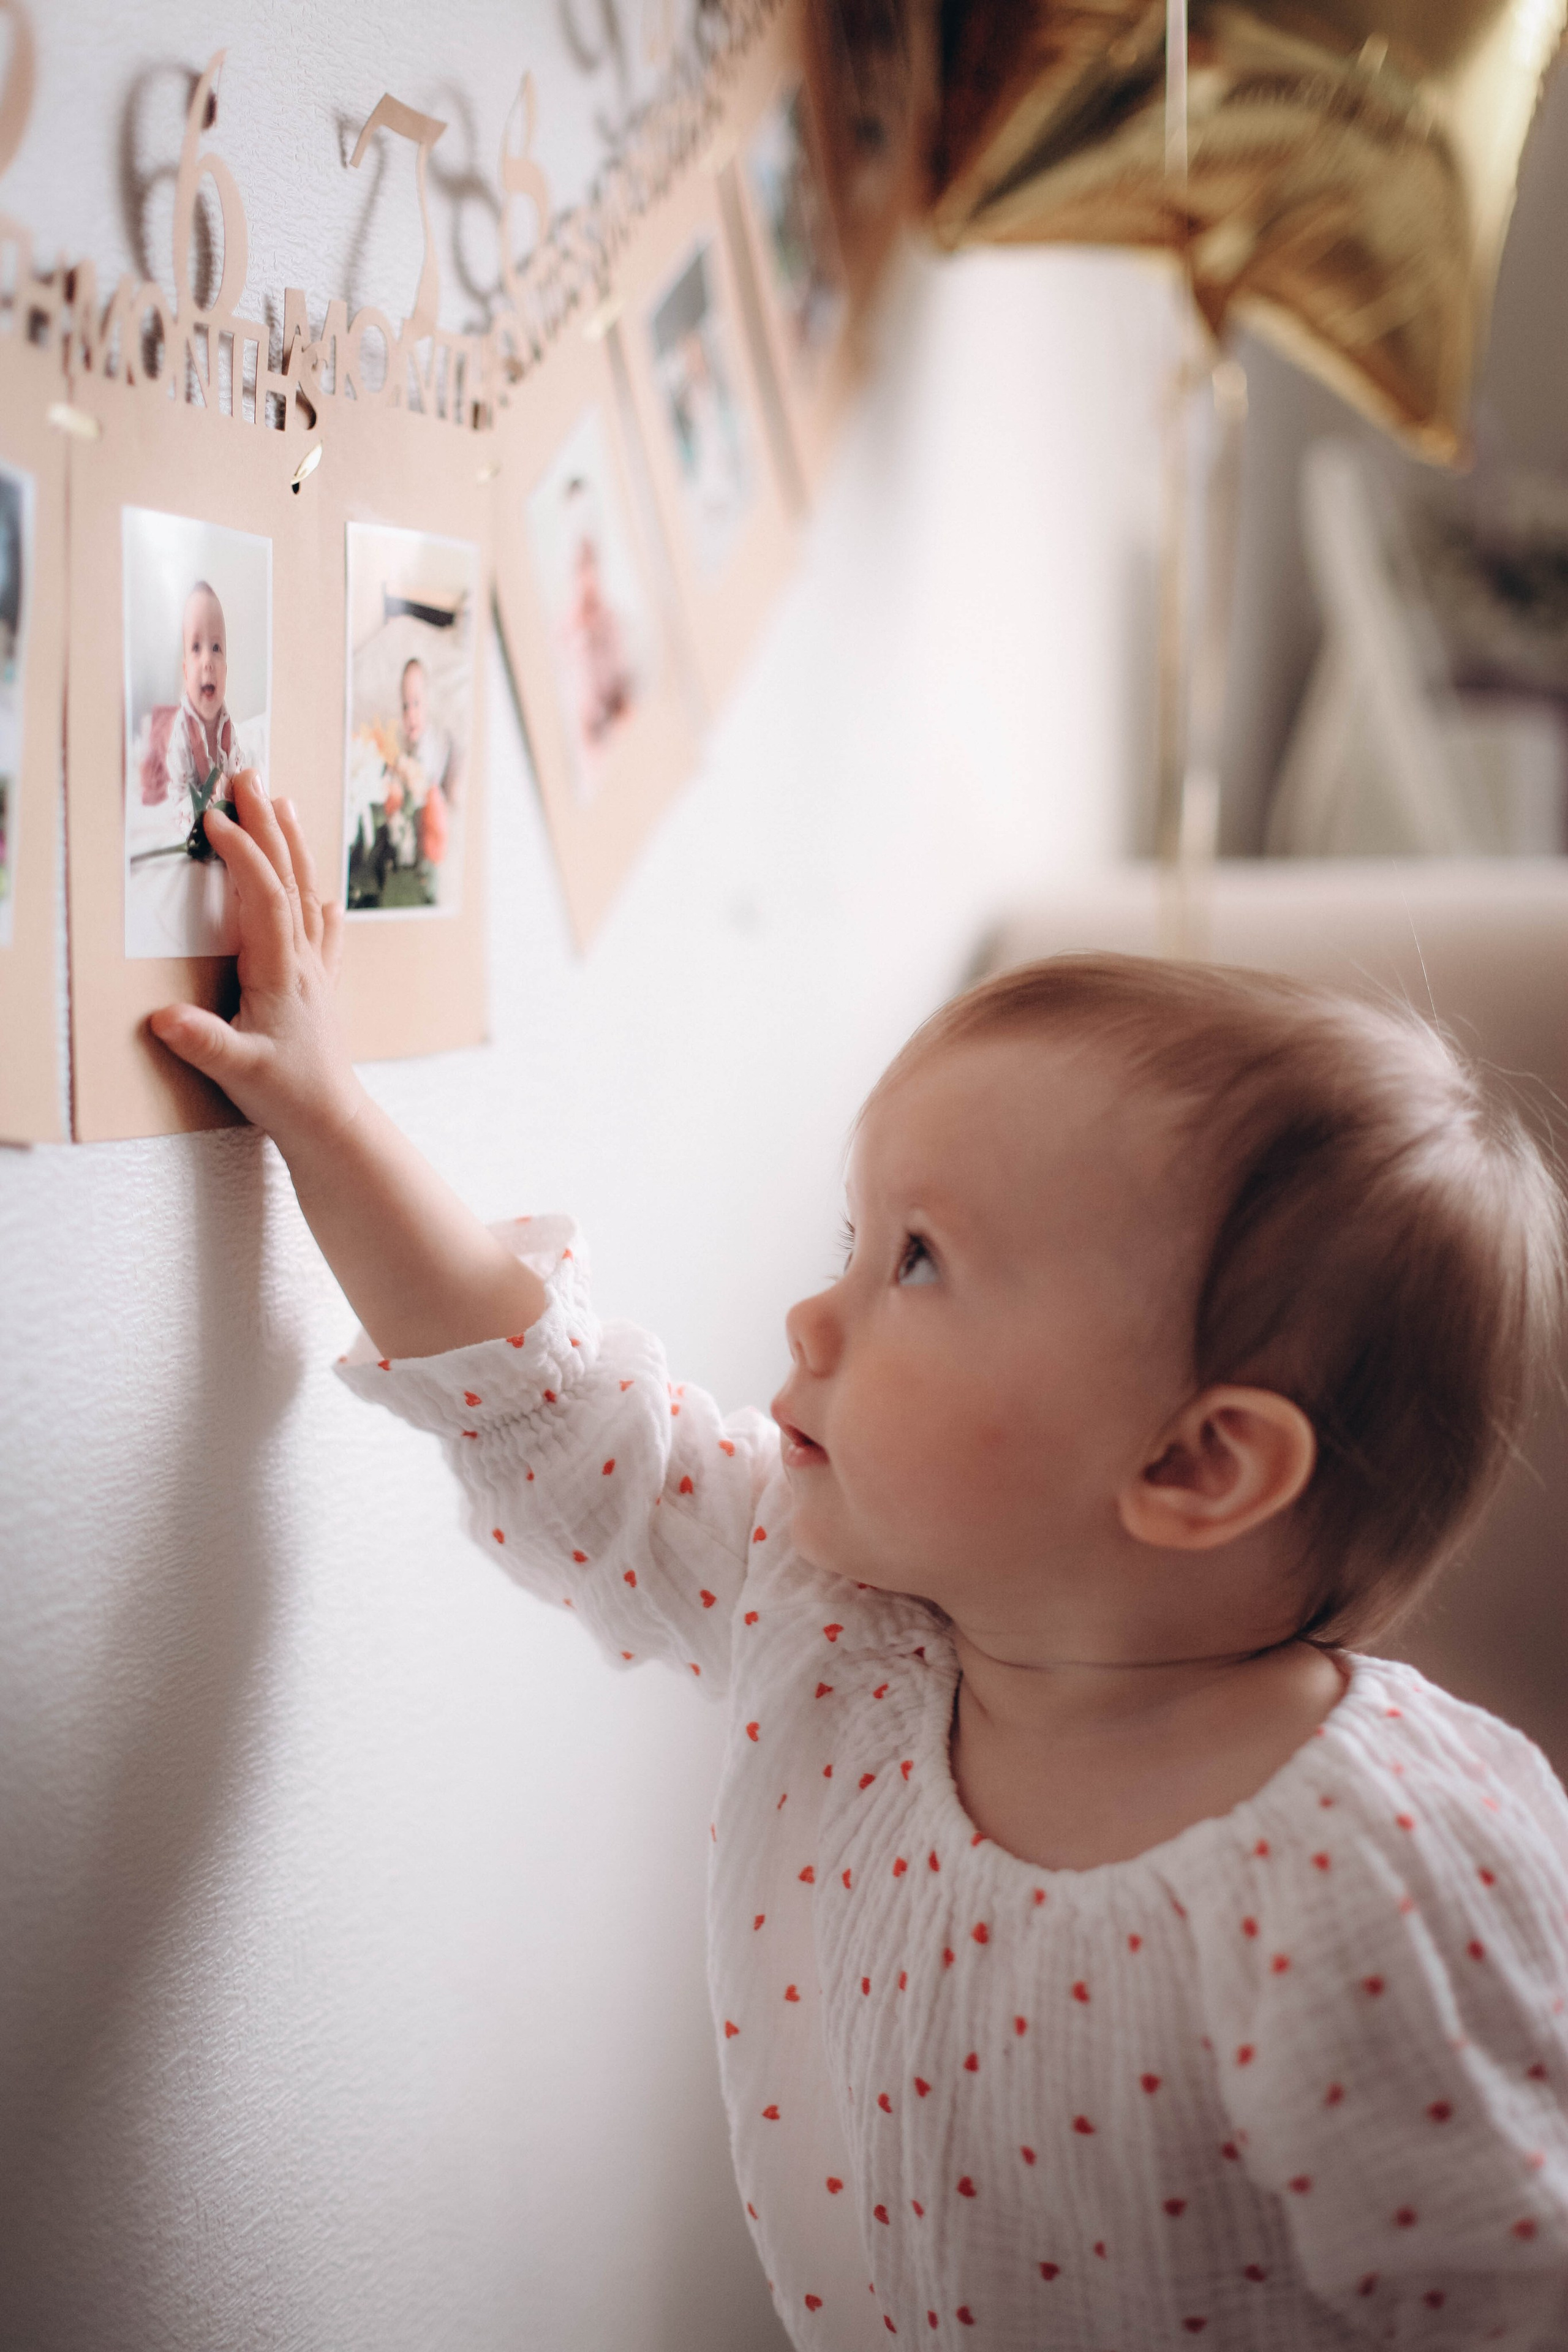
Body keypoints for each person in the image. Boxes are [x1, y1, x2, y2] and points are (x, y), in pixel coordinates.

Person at [149, 775, 1568, 2350]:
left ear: (1191, 1464)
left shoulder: (1367, 1874)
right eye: (854, 1241)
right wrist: (325, 1108)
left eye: (915, 1261)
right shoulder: (852, 1628)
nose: (813, 1320)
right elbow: (561, 1420)